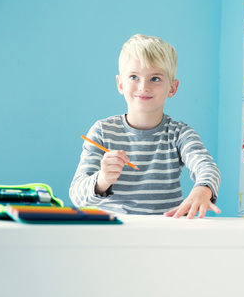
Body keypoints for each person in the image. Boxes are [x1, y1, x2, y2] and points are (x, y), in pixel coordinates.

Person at [69, 34, 221, 218]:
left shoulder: (179, 134)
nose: (143, 86)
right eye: (134, 77)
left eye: (155, 78)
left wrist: (203, 190)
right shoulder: (102, 131)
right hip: (113, 237)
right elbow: (77, 196)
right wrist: (102, 180)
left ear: (172, 88)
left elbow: (207, 166)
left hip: (163, 237)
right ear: (120, 84)